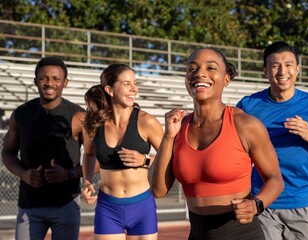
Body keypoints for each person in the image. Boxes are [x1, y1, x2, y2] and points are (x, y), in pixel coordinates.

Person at [151, 47, 284, 240]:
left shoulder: (245, 125)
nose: (200, 73)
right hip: (197, 235)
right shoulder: (178, 129)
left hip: (242, 235)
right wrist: (168, 137)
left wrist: (256, 204)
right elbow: (158, 190)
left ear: (226, 79)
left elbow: (275, 180)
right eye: (192, 68)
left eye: (211, 68)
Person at [236, 41, 308, 240]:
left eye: (288, 64)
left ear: (297, 69)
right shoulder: (248, 105)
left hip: (301, 202)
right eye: (275, 65)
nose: (282, 71)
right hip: (262, 202)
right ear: (265, 71)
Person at [1, 57, 85, 240]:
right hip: (30, 206)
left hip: (66, 204)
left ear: (65, 83)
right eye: (43, 78)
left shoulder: (79, 116)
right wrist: (24, 174)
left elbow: (96, 159)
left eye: (56, 79)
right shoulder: (21, 113)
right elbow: (7, 152)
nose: (49, 83)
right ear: (35, 81)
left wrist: (69, 173)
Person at [80, 63, 163, 240]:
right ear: (110, 89)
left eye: (135, 83)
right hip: (108, 208)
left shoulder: (146, 121)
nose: (134, 89)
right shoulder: (93, 124)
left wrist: (145, 160)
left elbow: (170, 157)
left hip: (142, 207)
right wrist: (87, 181)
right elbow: (88, 154)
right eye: (126, 84)